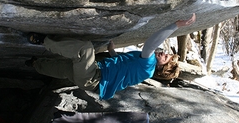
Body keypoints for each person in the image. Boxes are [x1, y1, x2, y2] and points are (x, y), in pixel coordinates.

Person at [26, 14, 196, 100]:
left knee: (85, 50)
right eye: (166, 54)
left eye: (165, 58)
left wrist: (175, 25)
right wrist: (113, 51)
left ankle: (43, 41)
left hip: (95, 78)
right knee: (64, 68)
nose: (163, 53)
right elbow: (122, 69)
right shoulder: (144, 68)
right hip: (93, 81)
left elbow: (151, 42)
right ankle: (34, 64)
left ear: (161, 68)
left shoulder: (149, 65)